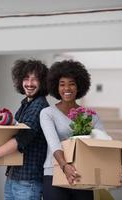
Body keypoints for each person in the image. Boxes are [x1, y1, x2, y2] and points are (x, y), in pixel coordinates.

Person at [0, 59, 49, 200]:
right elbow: (11, 133)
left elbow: (21, 139)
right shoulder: (26, 104)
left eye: (34, 79)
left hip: (28, 180)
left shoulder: (39, 106)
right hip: (14, 175)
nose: (29, 83)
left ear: (43, 82)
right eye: (26, 78)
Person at [40, 60, 105, 200]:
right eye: (62, 84)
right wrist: (65, 166)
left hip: (83, 174)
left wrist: (115, 168)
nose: (67, 88)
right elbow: (54, 144)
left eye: (72, 83)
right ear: (56, 87)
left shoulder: (89, 115)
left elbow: (104, 143)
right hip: (54, 173)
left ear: (79, 86)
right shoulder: (47, 113)